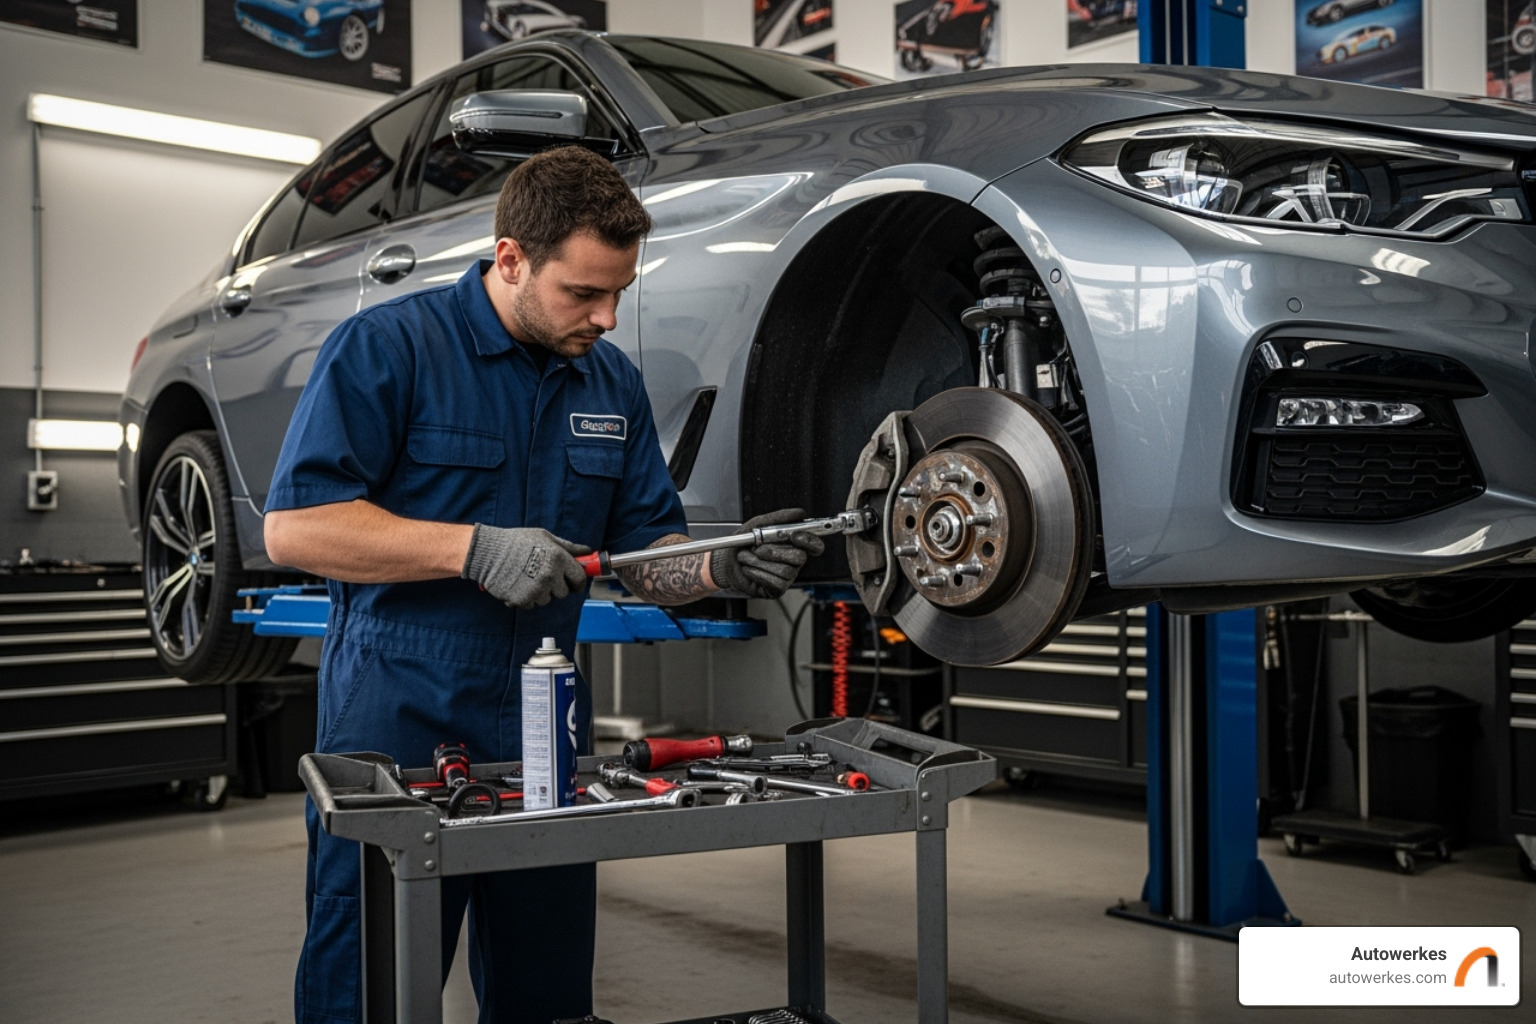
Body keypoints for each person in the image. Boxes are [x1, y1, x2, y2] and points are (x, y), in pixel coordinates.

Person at [263, 144, 824, 1024]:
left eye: (619, 295)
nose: (605, 317)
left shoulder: (611, 382)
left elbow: (648, 555)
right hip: (395, 714)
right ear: (511, 258)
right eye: (583, 293)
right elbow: (297, 527)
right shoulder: (388, 348)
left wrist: (719, 564)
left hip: (546, 725)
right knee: (368, 981)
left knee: (547, 992)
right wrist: (471, 549)